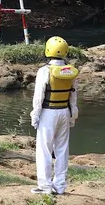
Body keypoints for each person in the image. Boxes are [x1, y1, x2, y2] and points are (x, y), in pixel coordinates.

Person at [30, 36, 79, 195]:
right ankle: (60, 186)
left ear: (48, 50)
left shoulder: (44, 71)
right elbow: (74, 95)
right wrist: (73, 115)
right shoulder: (70, 71)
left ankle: (45, 186)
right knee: (62, 149)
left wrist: (35, 116)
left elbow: (38, 97)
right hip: (65, 111)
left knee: (44, 149)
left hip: (48, 112)